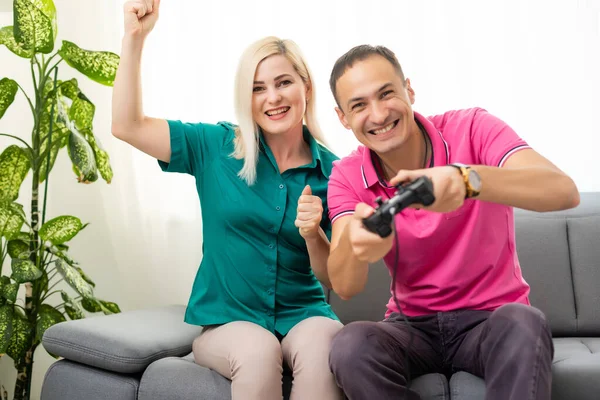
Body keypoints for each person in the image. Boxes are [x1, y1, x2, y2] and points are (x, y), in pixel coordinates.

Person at [111, 1, 344, 399]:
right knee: (257, 350)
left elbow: (333, 278)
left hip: (304, 314)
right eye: (257, 88)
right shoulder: (216, 147)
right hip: (228, 323)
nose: (272, 98)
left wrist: (312, 234)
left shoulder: (334, 173)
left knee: (328, 344)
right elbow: (127, 126)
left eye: (283, 82)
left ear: (306, 86)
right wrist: (135, 39)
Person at [324, 44, 580, 400]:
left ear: (409, 90)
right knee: (350, 346)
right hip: (411, 327)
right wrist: (357, 244)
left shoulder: (473, 127)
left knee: (525, 323)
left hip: (489, 320)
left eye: (387, 94)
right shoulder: (346, 176)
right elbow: (344, 285)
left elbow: (563, 191)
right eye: (359, 105)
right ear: (343, 118)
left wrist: (465, 181)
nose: (379, 114)